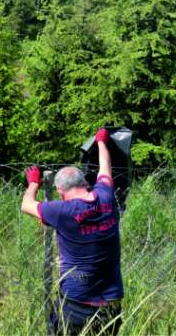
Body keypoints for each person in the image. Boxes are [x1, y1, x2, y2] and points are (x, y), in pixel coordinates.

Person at [20, 128, 124, 335]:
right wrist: (101, 141)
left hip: (76, 304)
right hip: (111, 304)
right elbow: (105, 168)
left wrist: (33, 183)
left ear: (59, 191)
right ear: (85, 182)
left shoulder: (61, 211)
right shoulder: (105, 196)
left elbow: (26, 205)